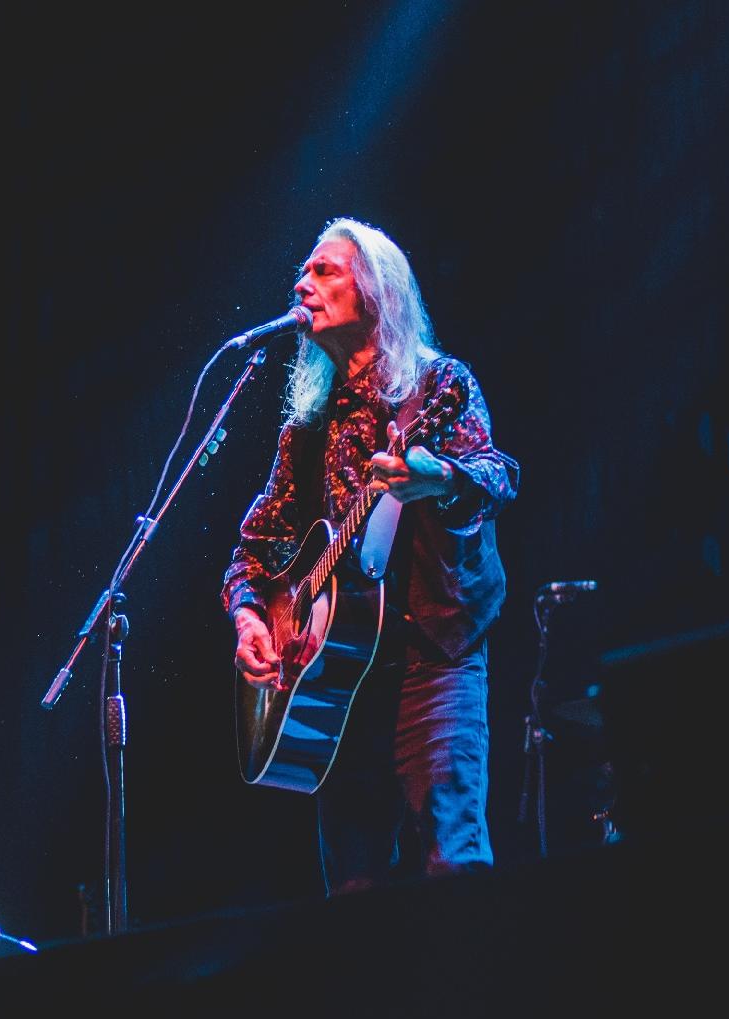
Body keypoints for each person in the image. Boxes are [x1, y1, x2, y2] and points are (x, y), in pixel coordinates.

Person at [222, 217, 520, 895]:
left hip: (432, 658)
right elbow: (252, 550)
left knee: (455, 867)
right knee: (353, 900)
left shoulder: (439, 388)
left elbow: (497, 475)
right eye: (302, 271)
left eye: (325, 270)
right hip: (338, 685)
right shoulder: (306, 431)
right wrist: (251, 618)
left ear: (377, 292)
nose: (303, 281)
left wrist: (439, 480)